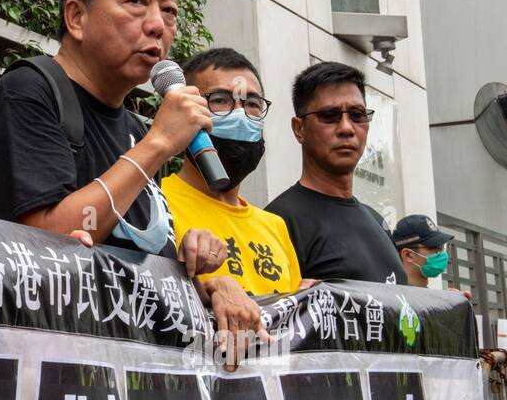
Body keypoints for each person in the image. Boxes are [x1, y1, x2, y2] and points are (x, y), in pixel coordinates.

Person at [0, 0, 265, 364]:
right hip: (43, 377)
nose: (157, 26)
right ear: (77, 17)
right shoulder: (30, 91)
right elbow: (45, 245)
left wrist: (200, 272)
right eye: (136, 3)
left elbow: (139, 264)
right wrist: (159, 144)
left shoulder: (133, 128)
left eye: (169, 11)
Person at [160, 48, 309, 297]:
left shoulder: (275, 227)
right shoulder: (155, 203)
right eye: (220, 100)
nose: (240, 115)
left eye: (252, 104)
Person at [266, 62, 407, 284]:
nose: (346, 128)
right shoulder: (278, 222)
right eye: (329, 115)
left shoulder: (377, 221)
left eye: (357, 115)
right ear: (299, 129)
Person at [393, 214, 456, 288]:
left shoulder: (434, 297)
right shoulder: (390, 297)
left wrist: (452, 298)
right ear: (408, 255)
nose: (440, 253)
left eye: (441, 246)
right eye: (432, 247)